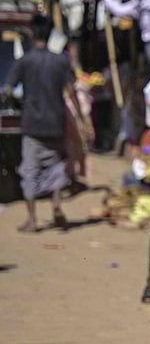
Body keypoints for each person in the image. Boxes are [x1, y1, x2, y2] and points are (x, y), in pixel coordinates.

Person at [2, 14, 90, 233]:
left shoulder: (24, 61)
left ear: (31, 33)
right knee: (57, 167)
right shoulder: (61, 61)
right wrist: (82, 120)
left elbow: (9, 90)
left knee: (30, 169)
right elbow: (71, 92)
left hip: (32, 124)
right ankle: (57, 207)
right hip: (56, 122)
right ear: (51, 34)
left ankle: (32, 219)